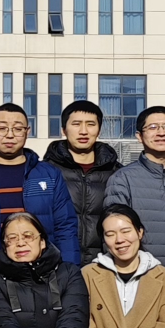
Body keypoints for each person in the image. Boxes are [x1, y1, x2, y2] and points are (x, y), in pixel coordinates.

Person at [0, 104, 81, 265]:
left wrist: (69, 272)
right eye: (1, 128)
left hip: (41, 272)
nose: (10, 135)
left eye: (18, 129)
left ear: (27, 132)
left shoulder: (49, 175)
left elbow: (65, 228)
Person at [102, 106, 165, 263]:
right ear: (139, 136)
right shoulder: (122, 179)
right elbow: (113, 232)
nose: (161, 133)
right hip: (144, 272)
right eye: (152, 127)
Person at [44, 98, 122, 261]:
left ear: (99, 130)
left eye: (91, 124)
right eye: (76, 124)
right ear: (64, 130)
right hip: (58, 263)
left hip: (105, 263)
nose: (83, 131)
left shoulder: (117, 173)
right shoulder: (46, 172)